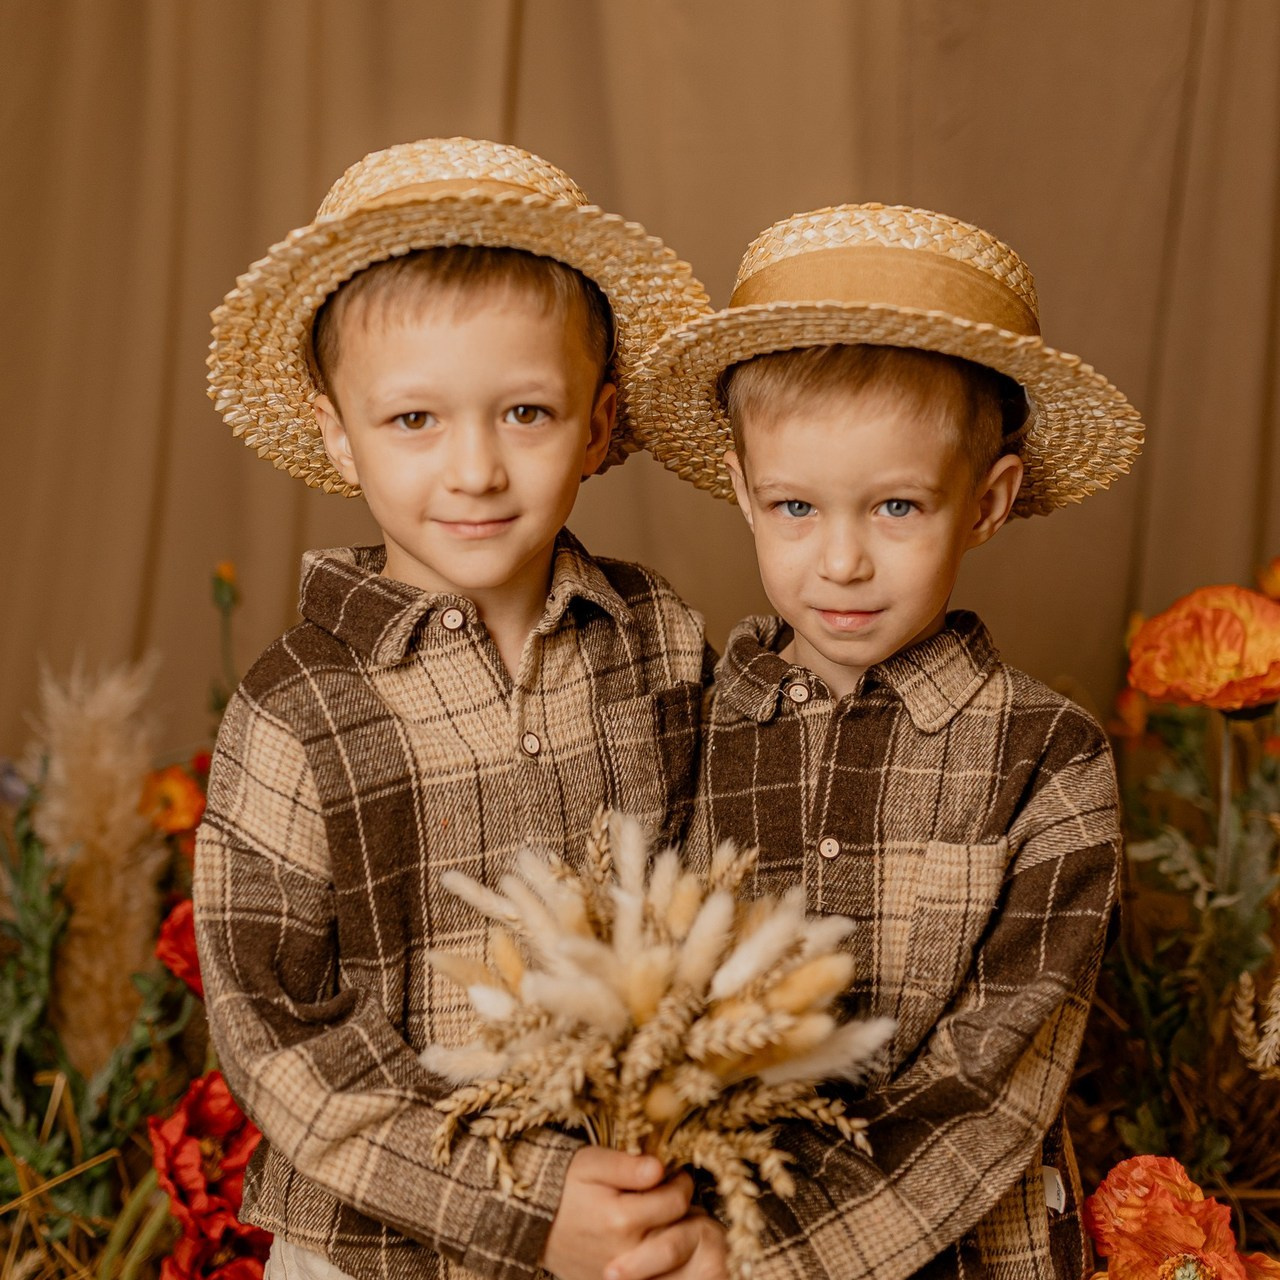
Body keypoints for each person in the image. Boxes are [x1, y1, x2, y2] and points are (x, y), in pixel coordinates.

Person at [194, 137, 727, 1280]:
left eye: (525, 412)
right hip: (371, 1246)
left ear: (598, 423)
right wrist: (520, 1199)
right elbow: (273, 1027)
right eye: (413, 420)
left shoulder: (658, 638)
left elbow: (722, 909)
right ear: (336, 432)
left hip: (630, 1212)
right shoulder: (295, 708)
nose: (475, 469)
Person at [633, 202, 1145, 1278]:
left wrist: (769, 1260)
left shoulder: (1049, 759)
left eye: (897, 508)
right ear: (742, 491)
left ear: (987, 501)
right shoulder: (686, 723)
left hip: (966, 1255)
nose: (842, 562)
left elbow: (995, 1080)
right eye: (795, 507)